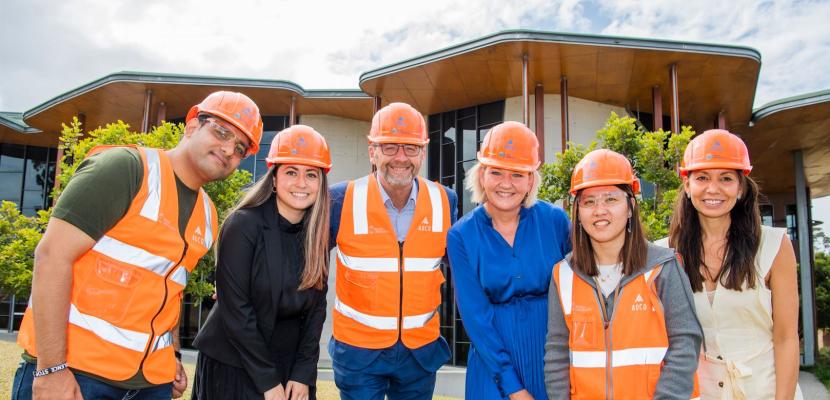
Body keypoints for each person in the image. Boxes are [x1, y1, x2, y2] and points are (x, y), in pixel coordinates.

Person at [11, 91, 263, 399]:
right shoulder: (126, 169)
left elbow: (168, 288)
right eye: (221, 132)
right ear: (193, 126)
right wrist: (51, 369)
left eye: (239, 148)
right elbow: (51, 257)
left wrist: (171, 354)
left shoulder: (208, 214)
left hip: (149, 385)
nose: (228, 149)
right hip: (78, 376)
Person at [544, 149, 703, 399]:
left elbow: (686, 344)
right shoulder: (563, 275)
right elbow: (556, 354)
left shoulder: (663, 267)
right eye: (589, 201)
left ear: (630, 207)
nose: (599, 210)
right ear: (578, 212)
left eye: (610, 199)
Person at [191, 125, 331, 400]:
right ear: (275, 178)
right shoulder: (243, 225)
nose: (301, 183)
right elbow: (236, 310)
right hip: (233, 363)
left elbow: (316, 312)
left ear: (320, 184)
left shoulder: (316, 235)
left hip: (289, 367)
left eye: (311, 174)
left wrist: (303, 373)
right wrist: (267, 381)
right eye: (291, 172)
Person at [328, 102, 457, 400]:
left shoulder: (445, 200)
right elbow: (306, 267)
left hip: (419, 355)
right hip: (358, 355)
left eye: (411, 148)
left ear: (423, 153)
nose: (401, 157)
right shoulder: (340, 198)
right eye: (390, 147)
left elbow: (466, 270)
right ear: (372, 150)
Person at [661, 129, 802, 399]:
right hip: (698, 392)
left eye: (726, 178)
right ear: (687, 185)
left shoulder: (774, 246)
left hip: (765, 389)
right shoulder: (664, 253)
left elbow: (786, 337)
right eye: (702, 177)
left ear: (740, 188)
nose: (713, 188)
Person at [446, 121, 570, 400]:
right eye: (496, 172)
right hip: (492, 362)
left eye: (517, 174)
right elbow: (475, 316)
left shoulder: (556, 222)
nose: (506, 184)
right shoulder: (461, 236)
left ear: (531, 179)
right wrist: (512, 386)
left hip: (551, 357)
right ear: (481, 176)